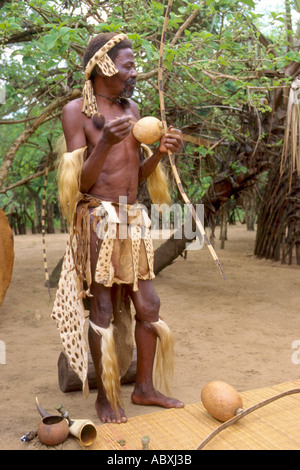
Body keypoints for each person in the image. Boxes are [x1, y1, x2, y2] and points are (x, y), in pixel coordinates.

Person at [52, 32, 184, 424]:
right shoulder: (76, 111)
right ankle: (107, 398)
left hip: (131, 218)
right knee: (104, 307)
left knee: (149, 305)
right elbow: (83, 184)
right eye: (127, 65)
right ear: (103, 66)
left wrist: (159, 153)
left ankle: (143, 388)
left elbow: (134, 180)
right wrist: (105, 143)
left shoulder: (134, 108)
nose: (134, 72)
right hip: (98, 220)